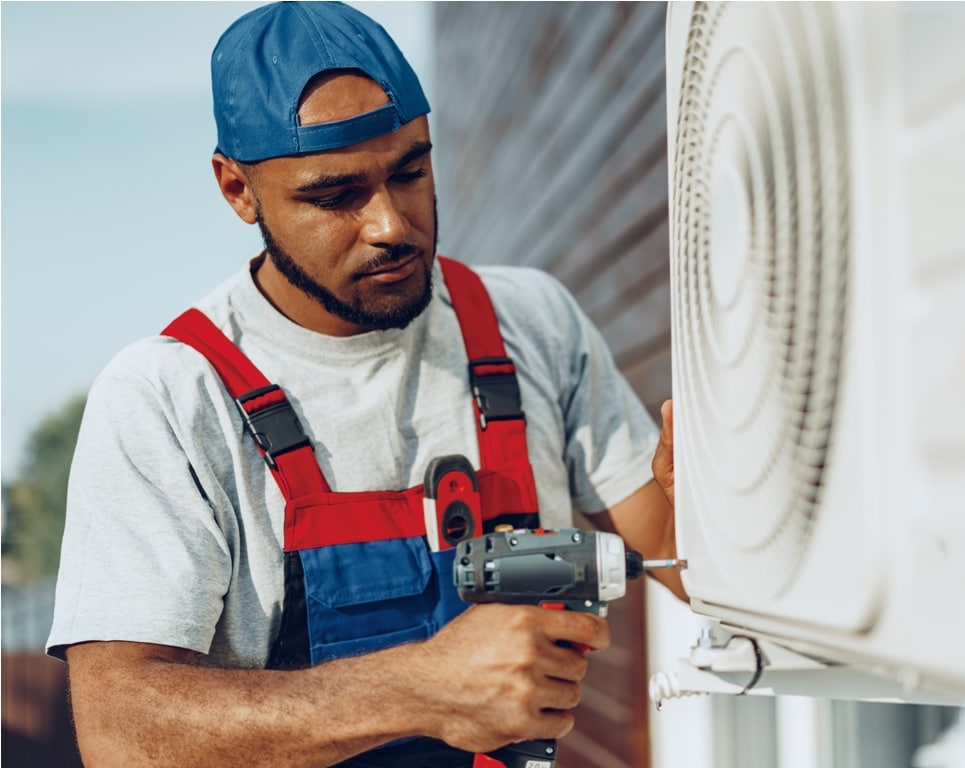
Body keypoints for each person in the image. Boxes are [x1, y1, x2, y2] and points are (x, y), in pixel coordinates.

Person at [47, 3, 683, 767]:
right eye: (335, 195)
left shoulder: (530, 323)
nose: (390, 224)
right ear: (236, 189)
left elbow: (678, 555)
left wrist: (720, 524)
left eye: (410, 171)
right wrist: (421, 689)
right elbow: (121, 734)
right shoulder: (170, 398)